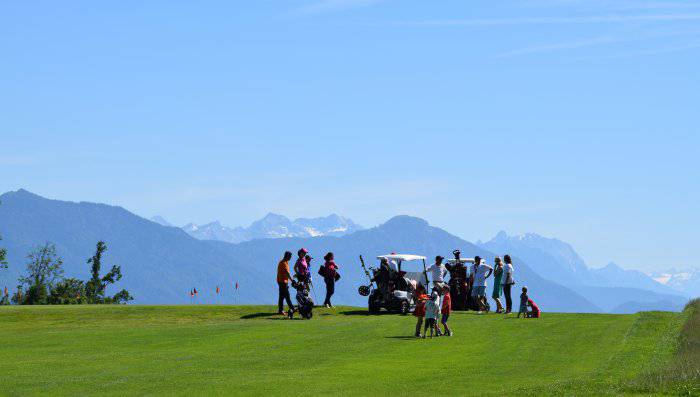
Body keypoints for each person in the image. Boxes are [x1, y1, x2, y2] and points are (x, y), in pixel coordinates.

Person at [277, 251, 295, 315]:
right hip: (282, 282)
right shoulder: (283, 263)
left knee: (282, 296)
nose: (290, 258)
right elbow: (287, 273)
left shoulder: (285, 262)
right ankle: (289, 308)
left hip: (283, 281)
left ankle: (283, 309)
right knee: (286, 296)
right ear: (288, 256)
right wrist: (292, 280)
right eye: (290, 257)